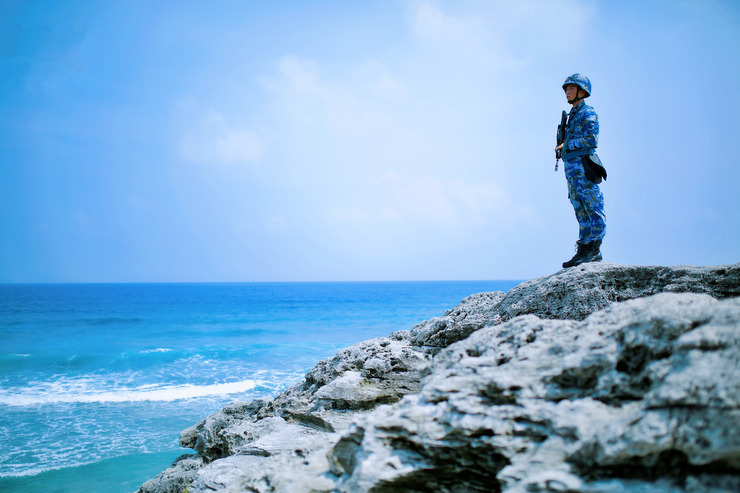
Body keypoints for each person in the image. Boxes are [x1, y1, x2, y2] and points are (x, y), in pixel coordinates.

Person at [556, 73, 606, 268]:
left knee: (592, 206)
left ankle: (594, 248)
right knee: (579, 207)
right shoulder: (572, 115)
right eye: (566, 89)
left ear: (582, 91)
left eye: (571, 88)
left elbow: (592, 141)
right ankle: (583, 248)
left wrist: (567, 144)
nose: (567, 92)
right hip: (572, 169)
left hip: (584, 167)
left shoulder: (588, 114)